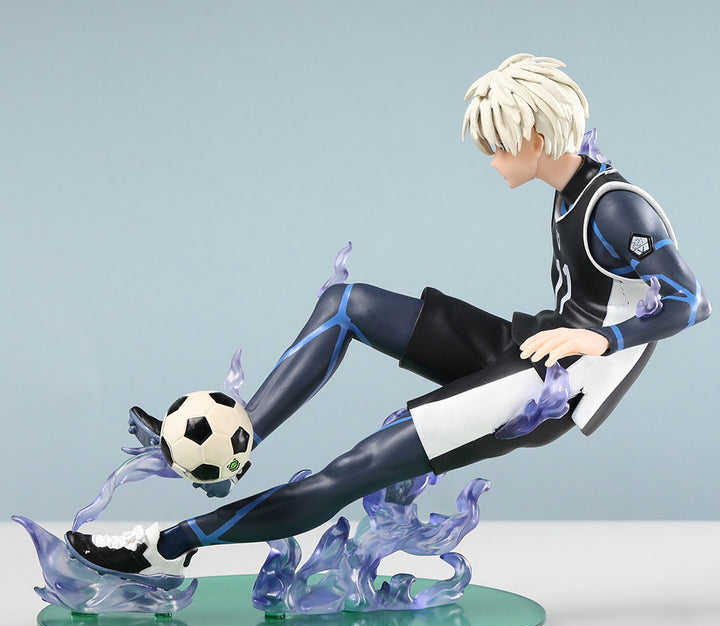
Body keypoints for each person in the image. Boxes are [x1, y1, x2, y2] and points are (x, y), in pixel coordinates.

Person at [66, 54, 710, 589]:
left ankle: (165, 547)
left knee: (350, 470)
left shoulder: (615, 207)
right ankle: (239, 440)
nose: (491, 159)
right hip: (531, 343)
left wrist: (601, 338)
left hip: (549, 390)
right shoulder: (573, 186)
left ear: (536, 140)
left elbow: (690, 301)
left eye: (496, 145)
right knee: (349, 303)